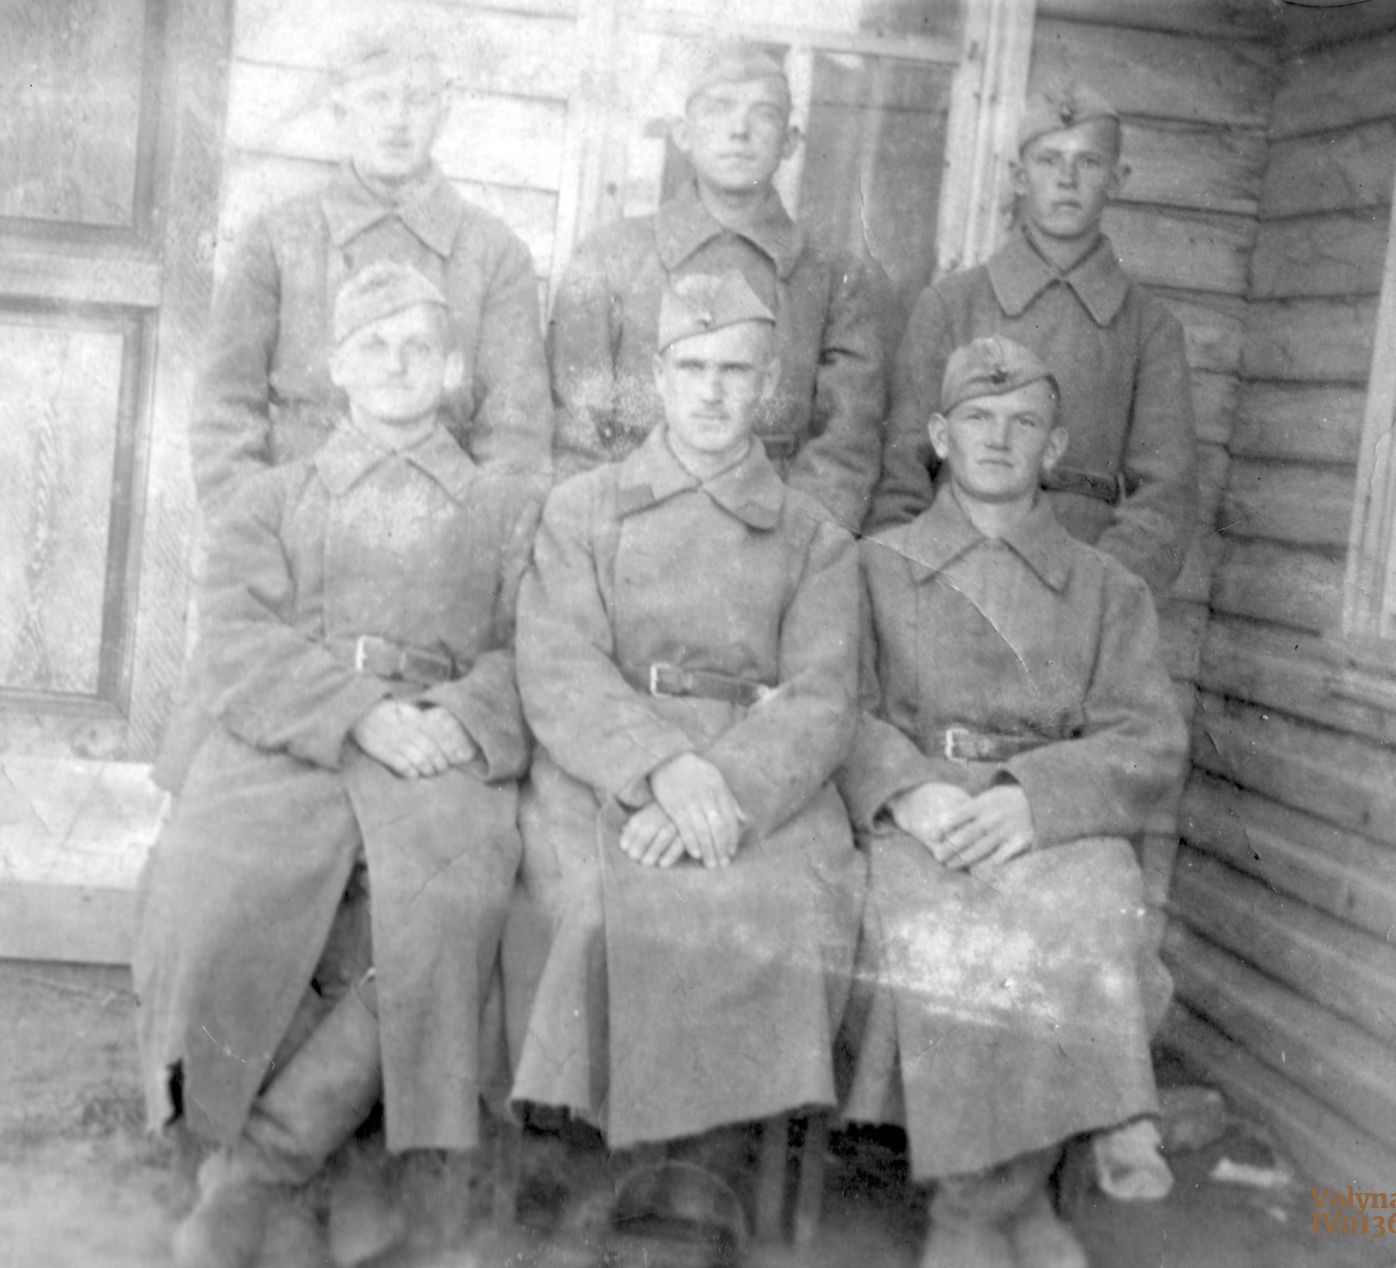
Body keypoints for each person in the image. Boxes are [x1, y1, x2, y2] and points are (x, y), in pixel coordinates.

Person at [133, 263, 539, 1268]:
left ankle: (263, 1172)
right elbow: (235, 641)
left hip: (439, 750)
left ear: (452, 368)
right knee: (218, 883)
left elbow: (535, 646)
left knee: (447, 908)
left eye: (418, 347)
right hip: (295, 742)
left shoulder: (504, 507)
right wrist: (357, 714)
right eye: (373, 345)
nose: (396, 365)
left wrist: (458, 717)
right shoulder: (272, 498)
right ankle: (228, 1154)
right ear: (336, 366)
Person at [507, 271, 864, 1251]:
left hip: (763, 784)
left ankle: (709, 1173)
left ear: (769, 388)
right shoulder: (584, 509)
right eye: (692, 367)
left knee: (776, 906)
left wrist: (725, 785)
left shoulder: (815, 536)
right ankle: (612, 1173)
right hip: (610, 769)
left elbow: (825, 698)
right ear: (657, 378)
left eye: (734, 371)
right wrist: (663, 766)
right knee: (604, 900)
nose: (711, 391)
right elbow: (559, 665)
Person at [838, 336, 1189, 1268]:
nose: (999, 439)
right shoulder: (874, 566)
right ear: (939, 436)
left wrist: (1035, 798)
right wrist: (906, 792)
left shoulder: (1107, 589)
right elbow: (839, 707)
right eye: (978, 419)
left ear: (1056, 446)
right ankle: (1011, 1208)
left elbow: (1149, 740)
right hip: (925, 819)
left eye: (1024, 422)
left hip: (1049, 820)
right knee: (945, 934)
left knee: (1090, 907)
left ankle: (981, 1209)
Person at [190, 23, 552, 517]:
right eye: (378, 98)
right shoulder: (277, 240)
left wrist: (476, 543)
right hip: (297, 522)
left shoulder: (494, 254)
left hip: (440, 527)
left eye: (417, 99)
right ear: (341, 111)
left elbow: (516, 443)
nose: (397, 120)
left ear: (444, 112)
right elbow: (224, 413)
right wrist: (256, 533)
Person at [867, 81, 1196, 599]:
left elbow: (1163, 501)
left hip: (1084, 585)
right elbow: (902, 473)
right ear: (1019, 177)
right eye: (1048, 160)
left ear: (1118, 179)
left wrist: (1096, 598)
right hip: (952, 579)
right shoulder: (951, 305)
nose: (1066, 179)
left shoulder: (1149, 329)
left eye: (1088, 162)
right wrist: (910, 584)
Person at [546, 43, 887, 533]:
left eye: (763, 114)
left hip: (771, 531)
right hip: (630, 525)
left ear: (790, 141)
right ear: (683, 134)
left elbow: (846, 448)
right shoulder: (609, 255)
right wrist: (606, 536)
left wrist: (791, 544)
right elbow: (577, 432)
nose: (739, 130)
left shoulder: (834, 278)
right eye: (719, 108)